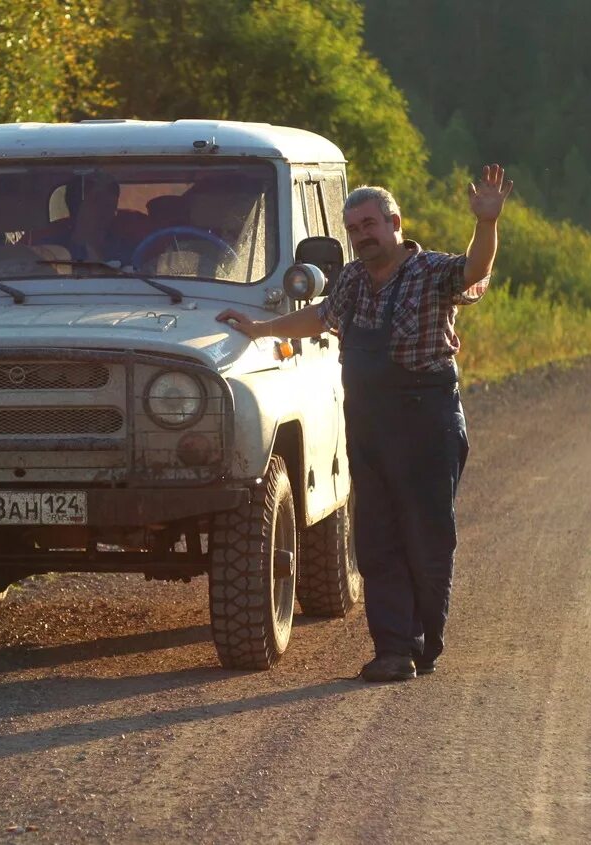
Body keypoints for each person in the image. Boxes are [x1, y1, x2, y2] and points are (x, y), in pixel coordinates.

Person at [217, 164, 513, 682]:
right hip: (371, 425)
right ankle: (394, 649)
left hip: (428, 423)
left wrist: (487, 223)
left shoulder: (432, 271)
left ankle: (425, 642)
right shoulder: (352, 279)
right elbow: (321, 317)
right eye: (353, 230)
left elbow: (474, 271)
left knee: (426, 538)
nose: (361, 237)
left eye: (370, 225)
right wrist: (261, 329)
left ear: (395, 222)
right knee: (376, 540)